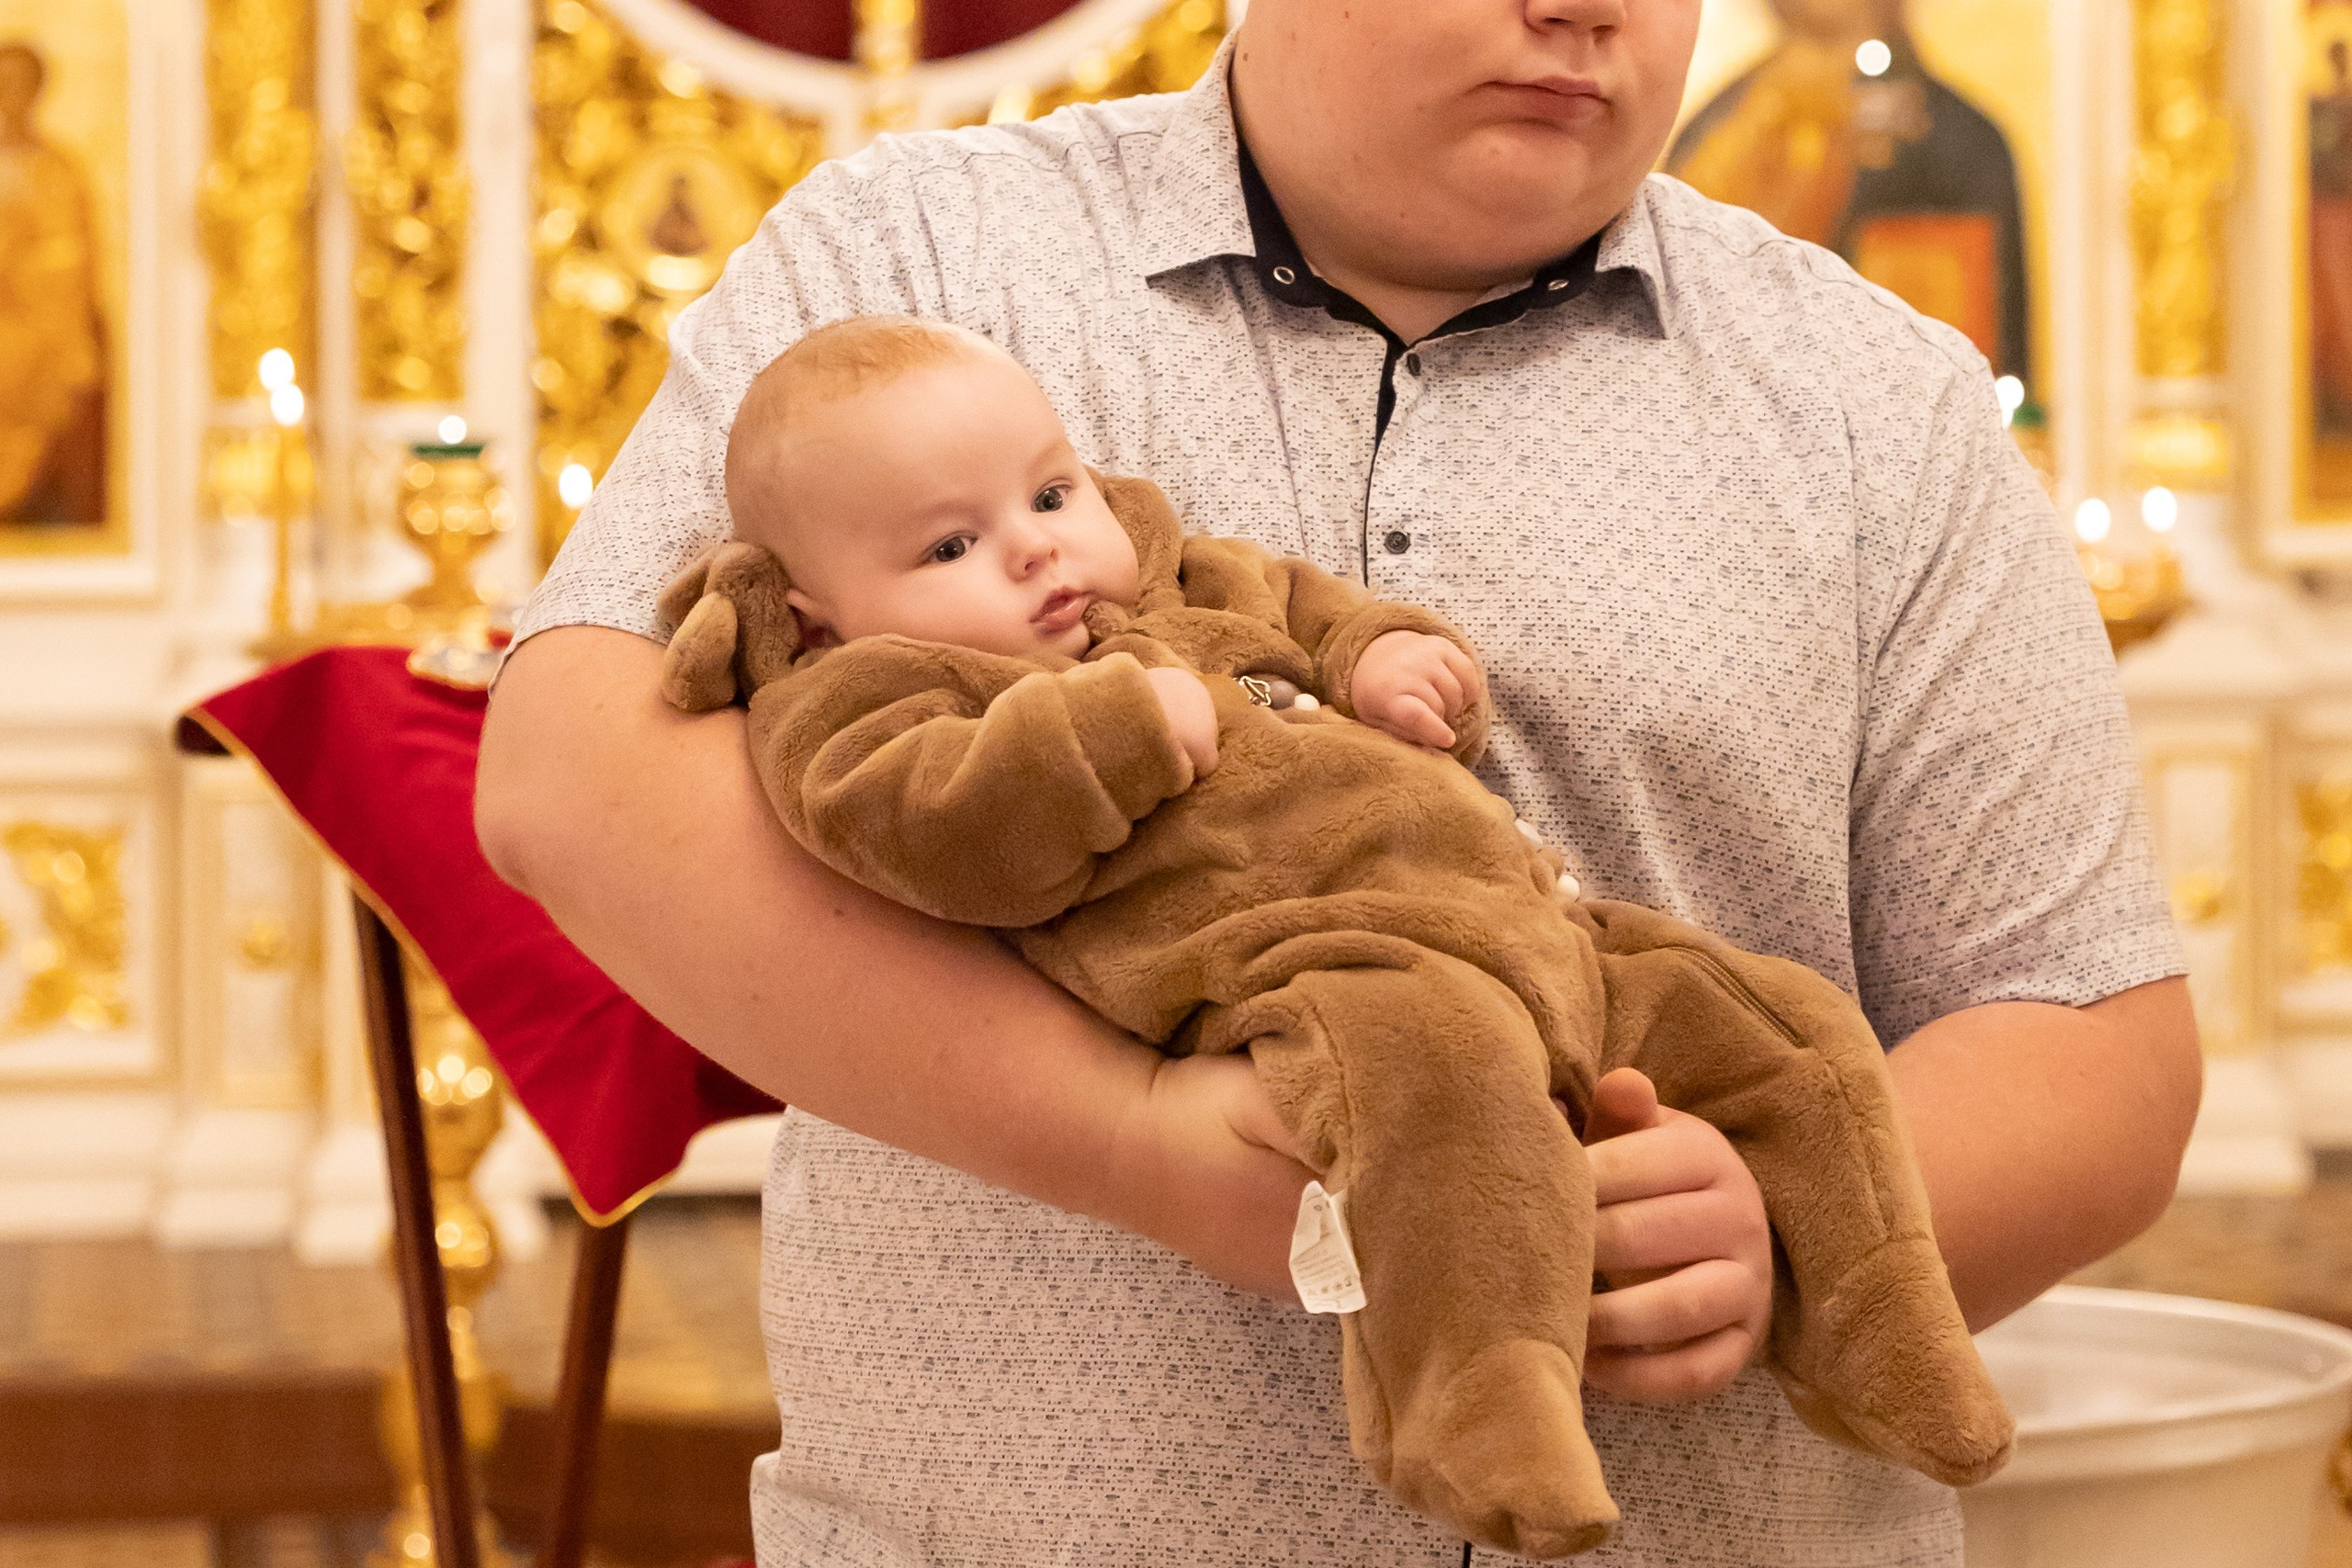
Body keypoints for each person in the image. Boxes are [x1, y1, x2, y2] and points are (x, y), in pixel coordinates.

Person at [478, 2, 2203, 1562]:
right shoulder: (914, 258)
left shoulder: (1877, 401)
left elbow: (2095, 1043)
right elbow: (576, 781)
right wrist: (1136, 1146)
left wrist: (1770, 1231)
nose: (1582, 11)